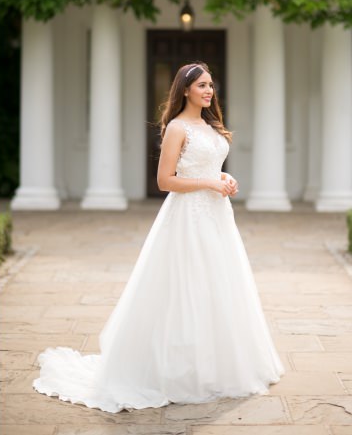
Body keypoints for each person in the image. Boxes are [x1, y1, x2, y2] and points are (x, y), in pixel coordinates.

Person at [33, 62, 284, 412]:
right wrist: (210, 182)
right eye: (201, 86)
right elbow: (165, 181)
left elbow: (210, 169)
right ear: (184, 90)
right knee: (187, 287)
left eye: (211, 85)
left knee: (220, 285)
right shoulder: (177, 128)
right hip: (187, 217)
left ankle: (220, 366)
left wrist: (224, 181)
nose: (208, 91)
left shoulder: (211, 127)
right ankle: (175, 369)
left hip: (217, 216)